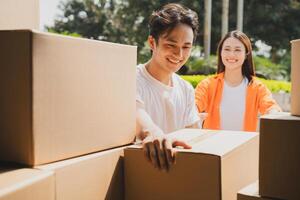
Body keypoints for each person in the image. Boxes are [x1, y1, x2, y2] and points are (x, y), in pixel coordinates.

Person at [136, 3, 201, 171]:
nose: (179, 55)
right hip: (140, 172)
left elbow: (194, 136)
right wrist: (153, 133)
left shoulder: (186, 89)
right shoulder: (131, 79)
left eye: (186, 47)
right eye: (171, 45)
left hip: (177, 175)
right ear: (152, 42)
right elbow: (137, 113)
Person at [195, 30, 281, 132]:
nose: (231, 54)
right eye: (227, 49)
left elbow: (271, 107)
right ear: (221, 53)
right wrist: (194, 115)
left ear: (246, 54)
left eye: (237, 50)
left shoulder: (257, 87)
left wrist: (273, 113)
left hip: (244, 146)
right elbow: (195, 104)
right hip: (212, 145)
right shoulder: (207, 85)